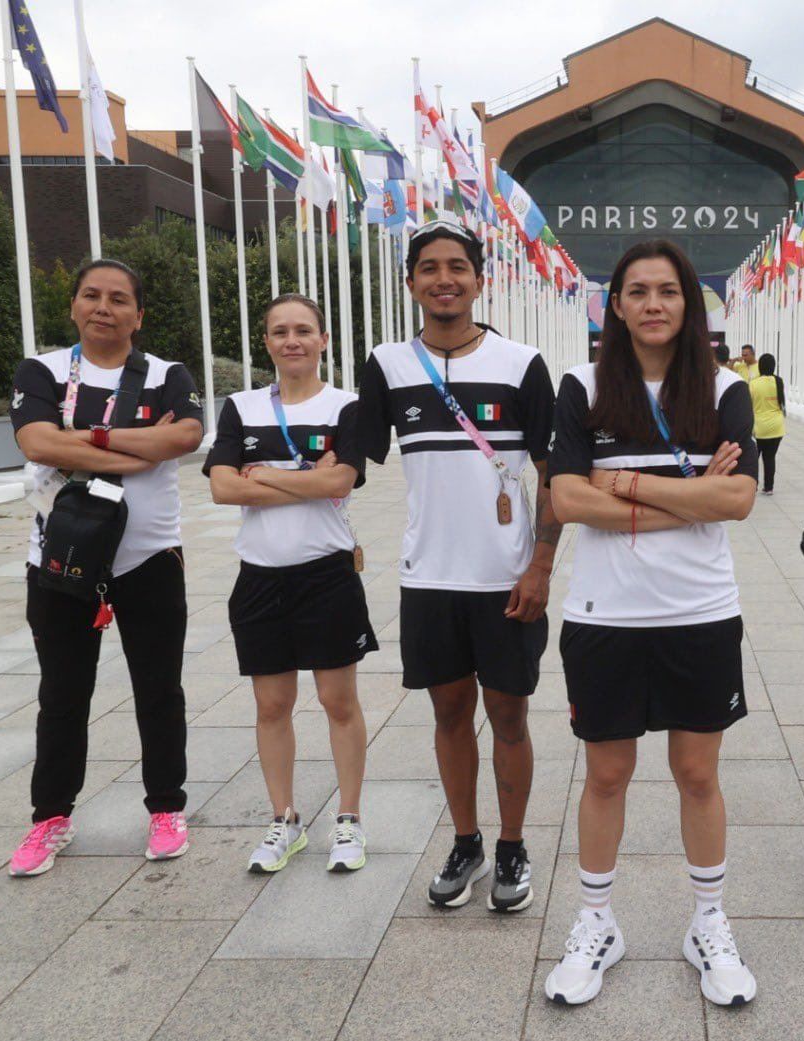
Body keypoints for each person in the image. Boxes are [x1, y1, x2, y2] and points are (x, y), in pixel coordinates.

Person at [542, 239, 759, 1009]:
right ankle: (597, 921)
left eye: (669, 290)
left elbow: (737, 502)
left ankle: (709, 921)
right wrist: (686, 493)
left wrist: (627, 483)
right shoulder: (581, 385)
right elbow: (567, 500)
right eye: (638, 290)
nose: (654, 303)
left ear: (690, 304)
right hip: (605, 616)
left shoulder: (727, 390)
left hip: (700, 613)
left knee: (697, 773)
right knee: (606, 773)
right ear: (618, 304)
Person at [358, 220, 560, 912]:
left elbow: (551, 471)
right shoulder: (386, 364)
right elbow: (347, 460)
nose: (444, 278)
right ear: (411, 281)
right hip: (428, 578)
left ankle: (511, 845)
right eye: (429, 267)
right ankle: (466, 840)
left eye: (458, 267)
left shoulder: (522, 363)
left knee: (509, 713)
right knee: (448, 712)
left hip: (505, 577)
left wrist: (540, 565)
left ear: (480, 279)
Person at [6, 258, 205, 877]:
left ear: (138, 316)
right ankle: (50, 818)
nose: (104, 307)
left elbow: (184, 439)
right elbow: (37, 443)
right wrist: (130, 441)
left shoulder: (169, 375)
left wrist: (82, 436)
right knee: (63, 695)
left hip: (148, 557)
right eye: (91, 295)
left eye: (119, 299)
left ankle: (167, 810)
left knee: (159, 691)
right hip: (61, 559)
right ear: (73, 306)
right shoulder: (41, 369)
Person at [205, 294, 373, 874]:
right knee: (272, 704)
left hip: (325, 576)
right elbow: (223, 488)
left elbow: (343, 481)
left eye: (304, 330)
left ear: (324, 340)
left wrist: (269, 474)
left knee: (337, 701)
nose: (292, 340)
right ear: (268, 342)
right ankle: (285, 820)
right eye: (280, 332)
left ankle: (348, 819)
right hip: (259, 579)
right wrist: (308, 476)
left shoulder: (347, 407)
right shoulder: (241, 407)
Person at [749, 353, 786, 495]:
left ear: (760, 366)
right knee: (770, 458)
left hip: (759, 428)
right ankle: (769, 487)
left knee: (753, 458)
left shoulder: (753, 384)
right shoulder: (778, 381)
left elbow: (748, 405)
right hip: (777, 427)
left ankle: (753, 485)